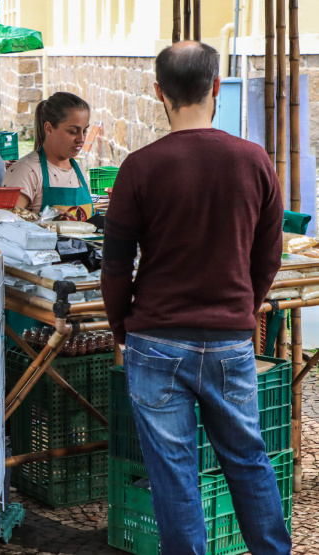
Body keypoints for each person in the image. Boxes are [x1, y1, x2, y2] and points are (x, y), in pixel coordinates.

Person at [101, 42, 290, 554]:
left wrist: (122, 326)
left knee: (173, 474)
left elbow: (115, 265)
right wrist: (245, 308)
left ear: (159, 92)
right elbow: (268, 256)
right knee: (248, 458)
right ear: (215, 88)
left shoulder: (139, 168)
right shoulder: (253, 161)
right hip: (229, 337)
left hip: (156, 340)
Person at [2, 92, 93, 221]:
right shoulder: (26, 171)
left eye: (84, 131)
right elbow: (5, 223)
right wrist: (46, 222)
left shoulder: (79, 171)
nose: (81, 139)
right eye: (73, 131)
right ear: (49, 128)